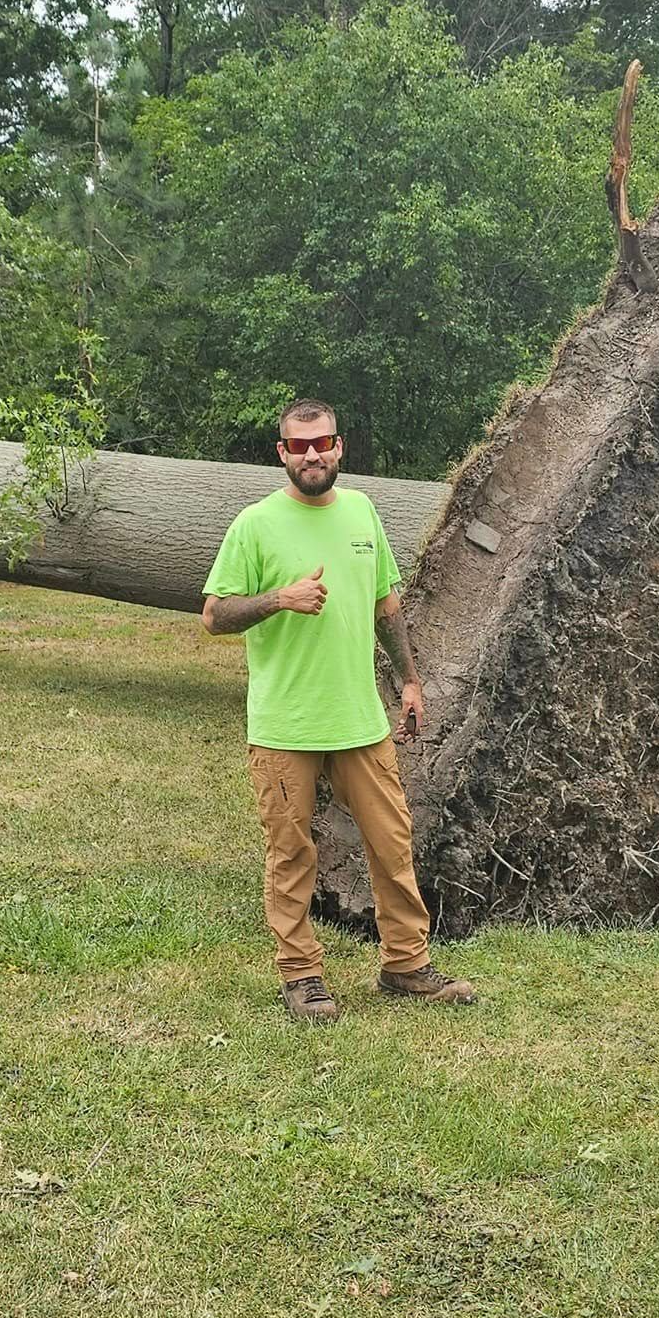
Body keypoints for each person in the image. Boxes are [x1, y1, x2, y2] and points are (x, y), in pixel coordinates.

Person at [201, 398, 476, 1022]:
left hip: (359, 719)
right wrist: (279, 598)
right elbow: (215, 615)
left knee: (392, 841)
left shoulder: (362, 513)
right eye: (299, 447)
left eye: (322, 443)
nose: (312, 455)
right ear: (283, 454)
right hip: (285, 724)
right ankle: (302, 976)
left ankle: (406, 964)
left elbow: (387, 604)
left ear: (339, 447)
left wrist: (409, 680)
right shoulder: (255, 525)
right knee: (291, 853)